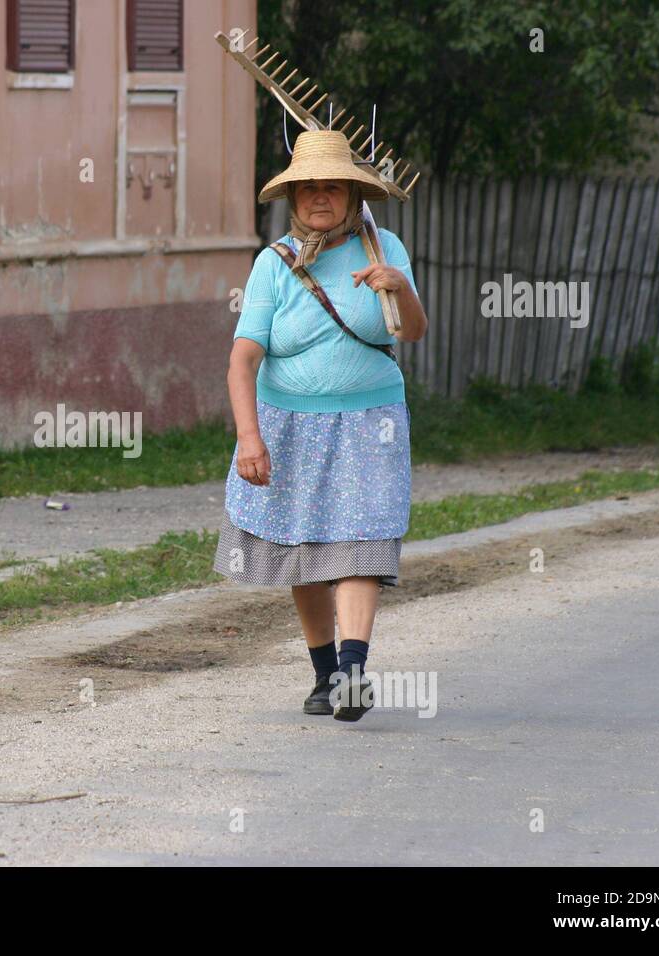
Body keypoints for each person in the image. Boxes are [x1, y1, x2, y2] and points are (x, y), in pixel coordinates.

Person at [212, 129, 428, 722]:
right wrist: (248, 436)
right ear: (293, 197)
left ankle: (355, 671)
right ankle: (324, 673)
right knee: (302, 546)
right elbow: (243, 358)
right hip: (290, 424)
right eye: (307, 188)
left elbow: (411, 331)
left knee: (359, 543)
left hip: (371, 422)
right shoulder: (273, 263)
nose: (318, 198)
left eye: (331, 186)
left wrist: (401, 290)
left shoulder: (385, 251)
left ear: (355, 194)